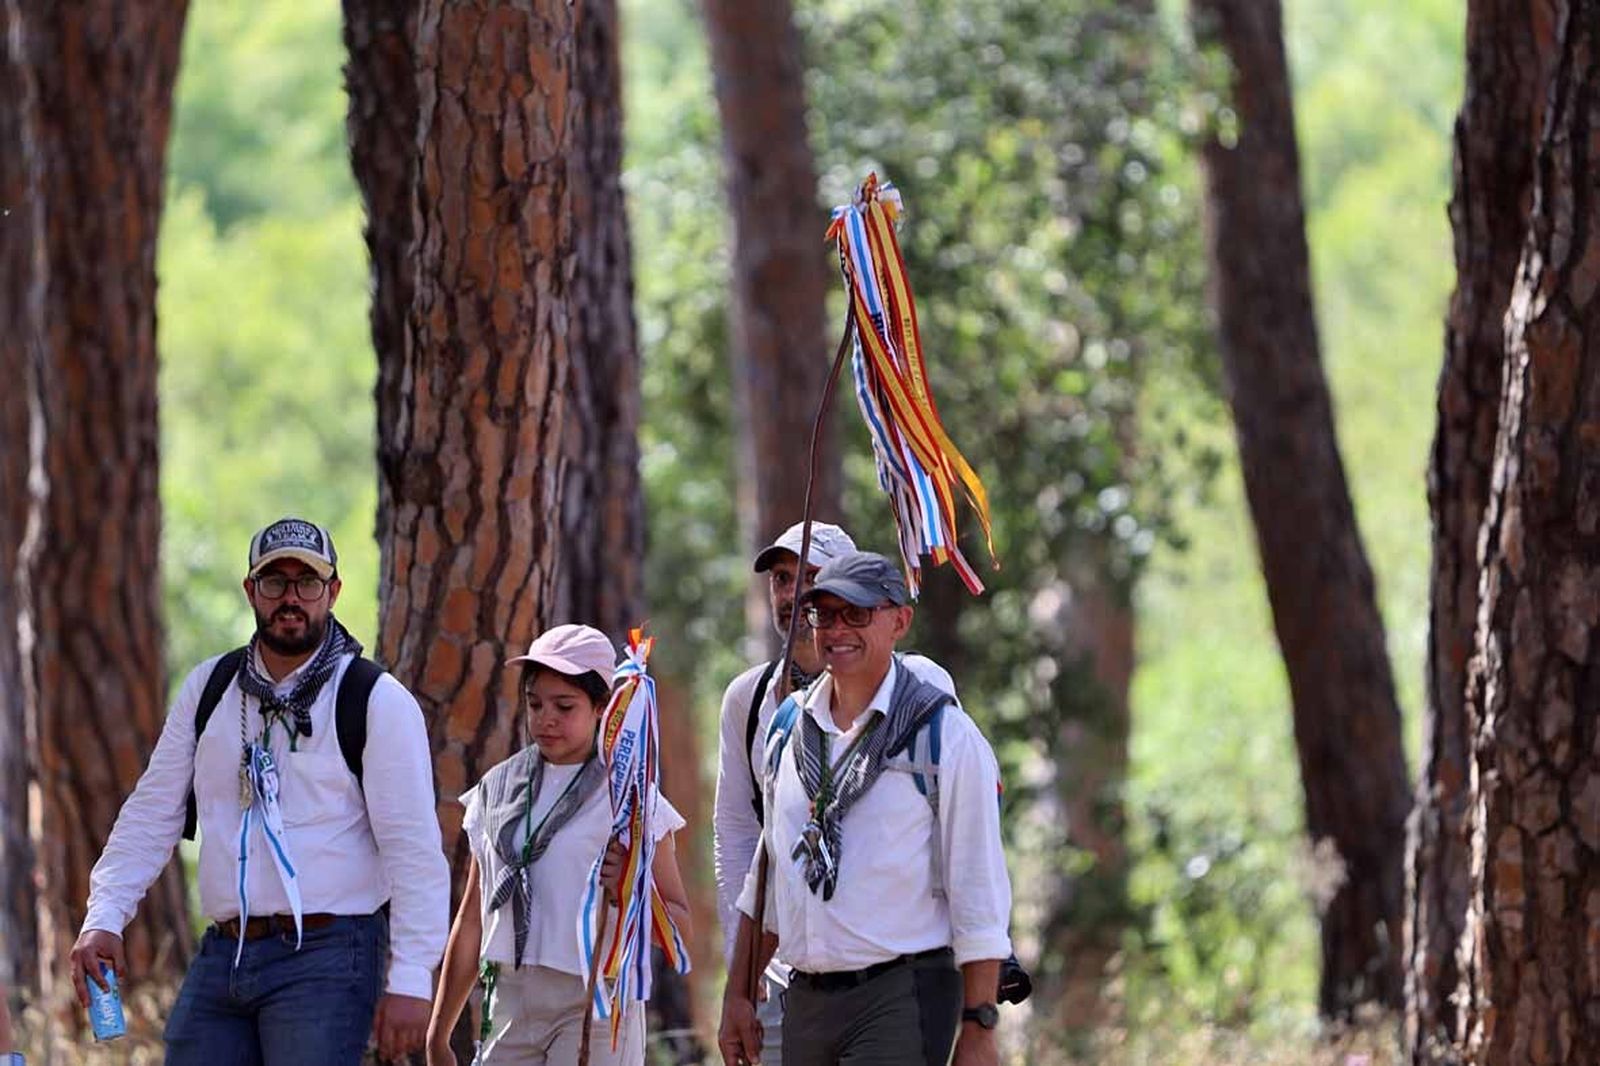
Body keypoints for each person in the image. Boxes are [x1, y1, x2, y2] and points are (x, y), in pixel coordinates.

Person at [68, 517, 450, 1064]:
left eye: (307, 582)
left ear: (333, 592)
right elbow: (152, 812)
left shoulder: (374, 698)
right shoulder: (211, 688)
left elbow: (413, 849)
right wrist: (104, 916)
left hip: (328, 956)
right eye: (274, 582)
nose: (291, 598)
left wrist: (412, 976)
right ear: (251, 590)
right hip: (226, 950)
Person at [719, 551, 1012, 1066]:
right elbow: (769, 877)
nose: (837, 630)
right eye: (824, 614)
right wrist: (738, 995)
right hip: (806, 1001)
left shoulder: (941, 734)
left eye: (856, 613)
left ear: (900, 621)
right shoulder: (788, 730)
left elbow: (978, 885)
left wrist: (979, 1024)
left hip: (900, 994)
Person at [426, 624, 693, 1066]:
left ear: (602, 707)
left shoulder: (629, 798)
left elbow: (679, 924)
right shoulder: (497, 790)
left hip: (594, 1006)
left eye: (564, 706)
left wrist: (630, 888)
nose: (545, 718)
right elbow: (474, 917)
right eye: (535, 704)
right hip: (509, 1001)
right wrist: (439, 1033)